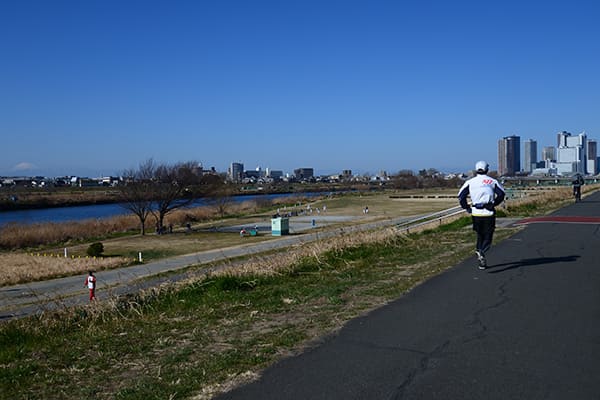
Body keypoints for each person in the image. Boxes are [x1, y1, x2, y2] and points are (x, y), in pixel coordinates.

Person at [458, 161, 506, 269]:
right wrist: (494, 204)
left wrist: (466, 207)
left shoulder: (470, 182)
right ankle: (482, 252)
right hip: (488, 212)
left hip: (476, 212)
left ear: (476, 169)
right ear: (487, 169)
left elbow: (461, 196)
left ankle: (481, 261)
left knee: (480, 235)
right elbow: (501, 194)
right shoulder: (492, 181)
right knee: (488, 237)